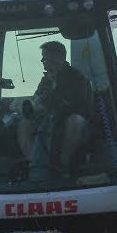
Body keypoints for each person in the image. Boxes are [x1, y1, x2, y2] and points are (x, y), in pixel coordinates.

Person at [17, 40, 94, 175]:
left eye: (45, 58)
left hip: (70, 121)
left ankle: (63, 166)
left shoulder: (78, 79)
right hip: (49, 119)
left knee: (75, 121)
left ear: (58, 58)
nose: (43, 62)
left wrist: (53, 96)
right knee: (25, 124)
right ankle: (35, 165)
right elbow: (37, 100)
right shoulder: (46, 80)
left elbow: (80, 107)